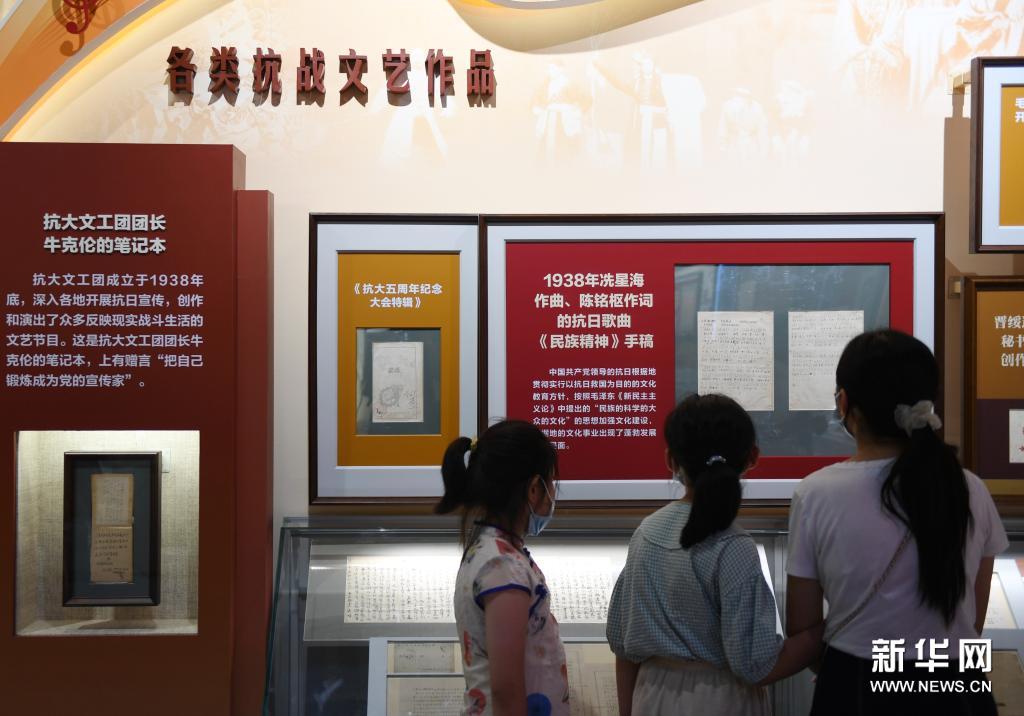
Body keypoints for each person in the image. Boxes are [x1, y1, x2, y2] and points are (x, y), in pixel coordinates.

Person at [787, 329, 1007, 715]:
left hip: (856, 681)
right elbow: (973, 617)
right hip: (958, 683)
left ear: (844, 402)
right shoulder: (969, 488)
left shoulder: (816, 493)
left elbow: (802, 626)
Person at [607, 394, 825, 716]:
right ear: (752, 457)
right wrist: (821, 634)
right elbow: (755, 665)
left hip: (651, 694)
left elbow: (622, 644)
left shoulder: (645, 533)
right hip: (720, 698)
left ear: (670, 460)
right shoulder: (734, 546)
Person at [436, 419, 569, 716]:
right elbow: (506, 692)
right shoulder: (504, 567)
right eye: (551, 483)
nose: (553, 492)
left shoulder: (489, 550)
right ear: (533, 489)